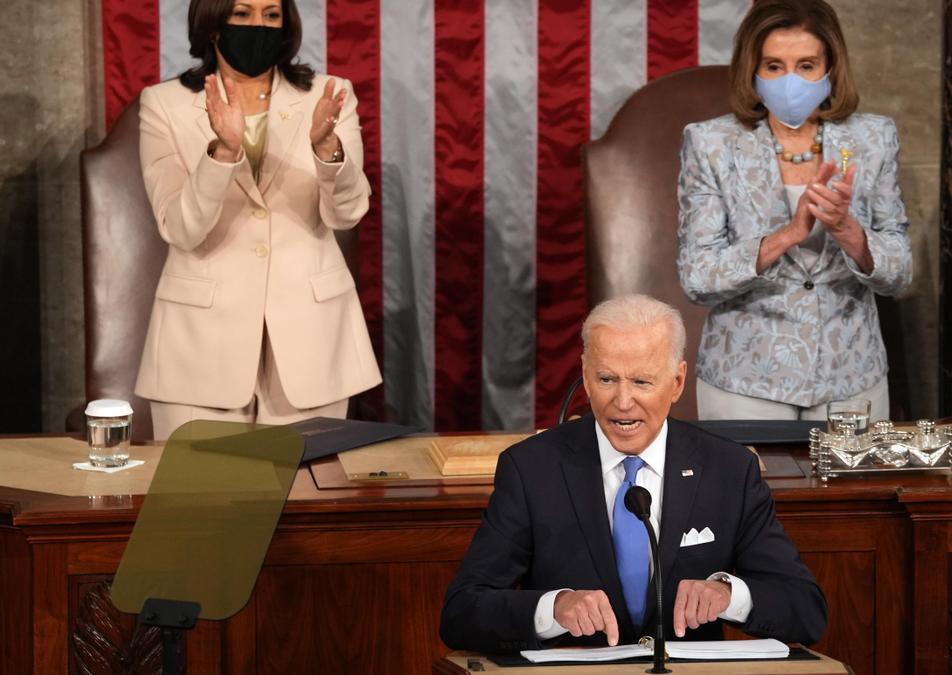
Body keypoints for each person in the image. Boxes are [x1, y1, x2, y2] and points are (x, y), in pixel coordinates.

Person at [440, 294, 826, 653]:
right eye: (607, 379)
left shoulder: (728, 470)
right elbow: (462, 612)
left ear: (676, 383)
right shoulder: (531, 469)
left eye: (642, 381)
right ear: (585, 375)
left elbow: (805, 610)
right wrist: (552, 608)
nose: (623, 403)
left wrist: (730, 596)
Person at [135, 0, 381, 439]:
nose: (258, 25)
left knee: (302, 502)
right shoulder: (164, 104)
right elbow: (180, 228)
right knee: (203, 505)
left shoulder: (327, 96)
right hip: (199, 350)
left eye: (271, 15)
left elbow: (347, 214)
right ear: (213, 24)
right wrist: (223, 153)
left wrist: (326, 148)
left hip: (311, 344)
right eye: (242, 14)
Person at [677, 0, 912, 423]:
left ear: (830, 68)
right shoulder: (709, 143)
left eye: (805, 65)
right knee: (747, 492)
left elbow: (899, 273)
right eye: (773, 66)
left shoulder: (873, 138)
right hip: (744, 378)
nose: (790, 81)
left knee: (856, 494)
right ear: (753, 70)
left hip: (850, 376)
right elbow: (698, 278)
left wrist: (848, 232)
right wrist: (787, 234)